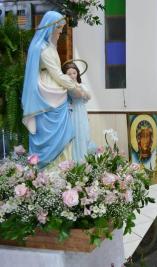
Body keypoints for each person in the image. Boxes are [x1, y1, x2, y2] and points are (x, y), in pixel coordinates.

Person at [21, 11, 83, 168]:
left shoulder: (45, 47)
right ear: (50, 28)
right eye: (59, 28)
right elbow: (57, 74)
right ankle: (53, 171)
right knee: (54, 132)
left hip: (50, 90)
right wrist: (75, 86)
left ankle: (59, 169)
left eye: (62, 28)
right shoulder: (45, 50)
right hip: (49, 92)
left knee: (57, 132)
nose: (60, 31)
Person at [62, 62, 94, 162]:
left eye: (74, 73)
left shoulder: (80, 85)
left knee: (84, 133)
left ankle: (84, 160)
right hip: (73, 112)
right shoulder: (67, 87)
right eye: (69, 74)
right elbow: (78, 95)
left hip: (82, 111)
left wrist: (81, 87)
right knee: (76, 135)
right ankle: (76, 161)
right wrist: (78, 89)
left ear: (77, 74)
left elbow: (89, 96)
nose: (72, 76)